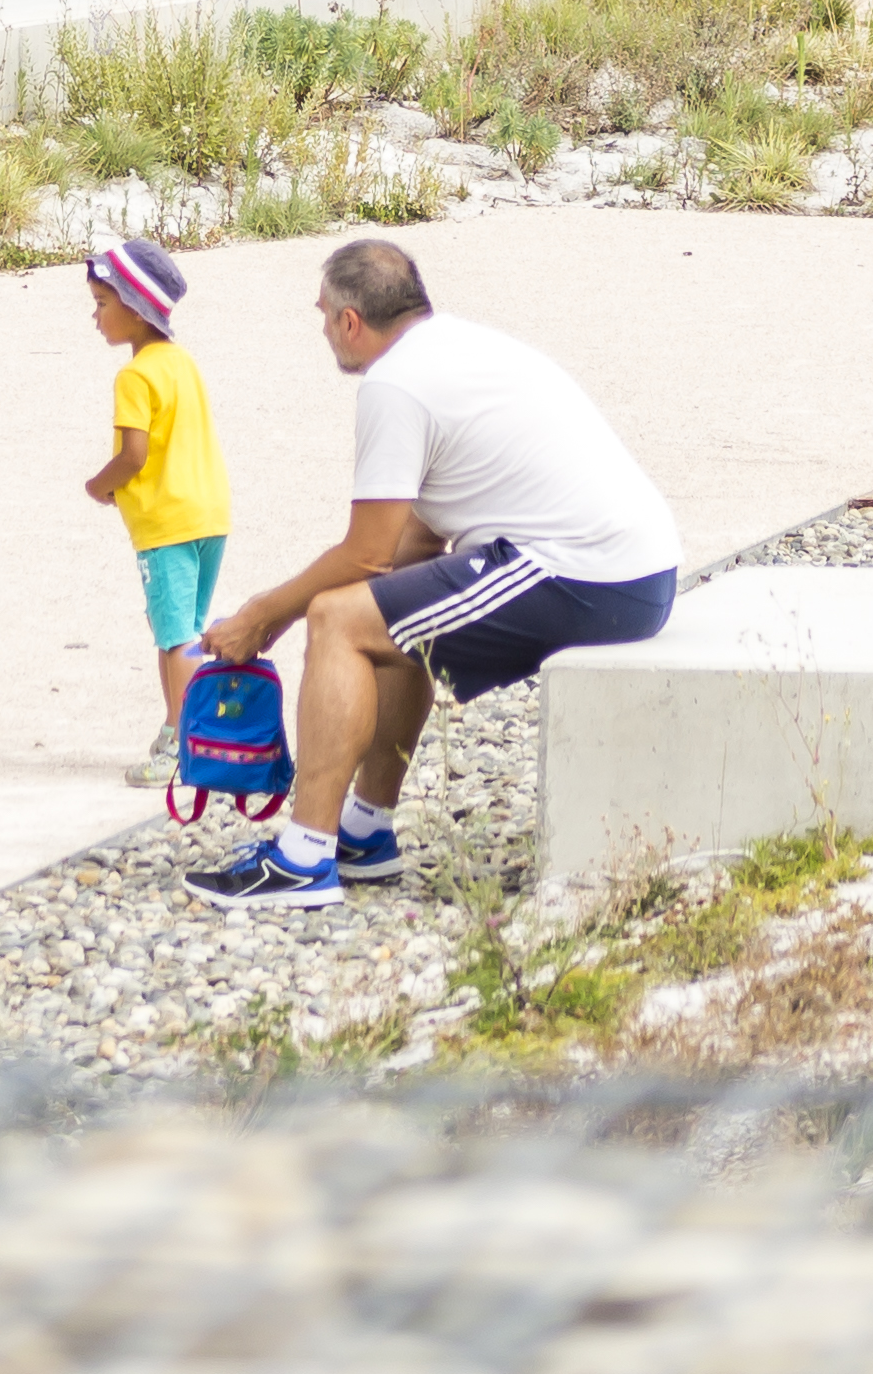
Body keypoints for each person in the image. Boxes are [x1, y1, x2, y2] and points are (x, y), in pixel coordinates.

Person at [187, 238, 679, 914]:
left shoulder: (394, 384)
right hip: (632, 569)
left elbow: (363, 553)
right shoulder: (460, 347)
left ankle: (303, 860)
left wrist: (263, 615)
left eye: (323, 313)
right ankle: (363, 832)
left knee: (338, 619)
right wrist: (363, 600)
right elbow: (406, 549)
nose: (323, 326)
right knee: (387, 610)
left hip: (583, 575)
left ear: (349, 322)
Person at [75, 237, 225, 778]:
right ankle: (190, 734)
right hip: (210, 516)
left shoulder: (134, 376)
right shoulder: (180, 362)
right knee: (190, 628)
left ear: (134, 309)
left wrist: (99, 484)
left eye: (101, 303)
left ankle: (181, 742)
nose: (95, 317)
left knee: (174, 637)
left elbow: (133, 454)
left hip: (166, 525)